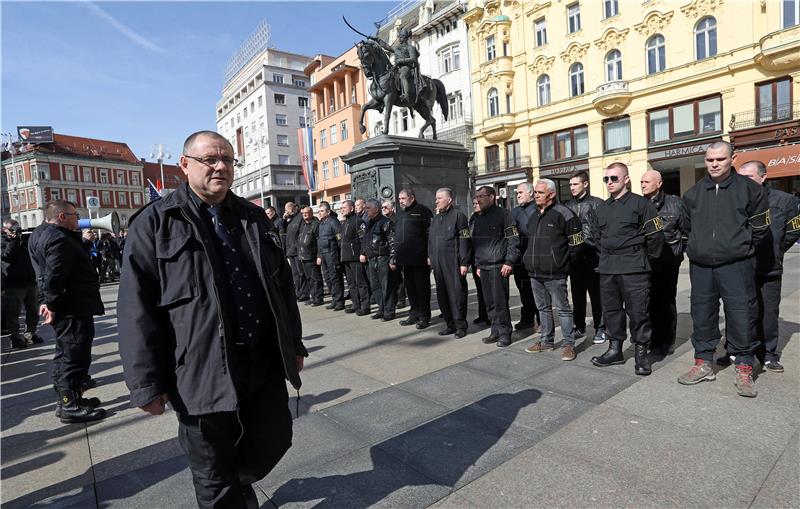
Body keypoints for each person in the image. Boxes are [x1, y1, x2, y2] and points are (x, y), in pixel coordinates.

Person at [118, 131, 308, 507]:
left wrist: (294, 344)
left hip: (260, 361)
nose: (221, 166)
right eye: (210, 160)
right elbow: (135, 308)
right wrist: (144, 383)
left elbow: (283, 291)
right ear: (185, 165)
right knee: (211, 472)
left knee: (274, 438)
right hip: (198, 369)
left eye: (227, 160)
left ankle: (238, 482)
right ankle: (229, 491)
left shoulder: (253, 218)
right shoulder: (154, 223)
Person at [677, 142, 770, 397]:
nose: (714, 164)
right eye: (709, 160)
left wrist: (741, 247)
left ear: (733, 159)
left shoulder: (751, 190)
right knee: (703, 313)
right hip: (702, 266)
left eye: (720, 159)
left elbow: (761, 229)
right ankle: (703, 363)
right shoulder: (693, 194)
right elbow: (686, 229)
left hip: (737, 265)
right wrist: (697, 248)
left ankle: (743, 367)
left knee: (741, 314)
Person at [28, 200, 106, 423]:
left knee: (66, 353)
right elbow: (54, 276)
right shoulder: (59, 238)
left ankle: (70, 398)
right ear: (62, 216)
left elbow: (42, 274)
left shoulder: (39, 234)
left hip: (69, 305)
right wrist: (50, 304)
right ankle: (69, 405)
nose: (77, 218)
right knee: (73, 354)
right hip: (73, 306)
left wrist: (46, 301)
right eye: (74, 214)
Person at [589, 162, 665, 376]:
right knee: (611, 311)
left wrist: (646, 261)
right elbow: (596, 237)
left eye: (614, 178)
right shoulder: (601, 208)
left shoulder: (642, 204)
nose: (610, 183)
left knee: (639, 312)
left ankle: (641, 354)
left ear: (626, 179)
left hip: (634, 267)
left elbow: (656, 237)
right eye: (606, 179)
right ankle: (615, 350)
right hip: (608, 268)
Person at [732, 160, 799, 373]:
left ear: (763, 177)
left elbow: (794, 229)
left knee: (768, 312)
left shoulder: (785, 200)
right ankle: (737, 349)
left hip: (769, 266)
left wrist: (777, 249)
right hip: (741, 266)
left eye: (749, 177)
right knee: (739, 312)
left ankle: (768, 354)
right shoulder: (734, 200)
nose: (745, 182)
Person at [523, 180, 583, 360]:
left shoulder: (565, 214)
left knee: (563, 309)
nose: (536, 195)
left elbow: (577, 245)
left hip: (555, 273)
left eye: (540, 192)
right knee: (543, 308)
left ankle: (568, 345)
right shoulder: (533, 214)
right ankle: (546, 342)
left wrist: (563, 265)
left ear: (551, 194)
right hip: (535, 272)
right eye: (534, 192)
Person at [640, 170, 685, 356]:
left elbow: (685, 232)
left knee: (666, 302)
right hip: (645, 262)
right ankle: (652, 338)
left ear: (659, 183)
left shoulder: (675, 204)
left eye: (647, 181)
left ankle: (666, 341)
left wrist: (677, 252)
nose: (643, 184)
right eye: (641, 181)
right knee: (648, 302)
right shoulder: (638, 204)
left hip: (668, 262)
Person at [472, 186, 519, 347]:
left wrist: (509, 262)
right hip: (483, 266)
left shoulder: (504, 215)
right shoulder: (477, 217)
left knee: (500, 302)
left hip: (499, 266)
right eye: (477, 196)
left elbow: (513, 240)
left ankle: (505, 333)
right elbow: (477, 243)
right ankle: (495, 330)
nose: (478, 199)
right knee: (489, 302)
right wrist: (477, 263)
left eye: (482, 196)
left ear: (492, 197)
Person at [565, 171, 606, 343]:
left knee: (597, 297)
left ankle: (601, 328)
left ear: (585, 184)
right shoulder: (566, 206)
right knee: (577, 296)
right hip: (575, 259)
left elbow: (604, 230)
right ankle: (579, 327)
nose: (572, 187)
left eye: (575, 184)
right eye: (570, 185)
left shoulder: (598, 204)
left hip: (594, 257)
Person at [429, 188, 471, 338]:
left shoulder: (458, 216)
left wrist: (464, 262)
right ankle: (449, 324)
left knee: (456, 294)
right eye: (436, 198)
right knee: (442, 295)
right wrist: (430, 257)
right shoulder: (436, 218)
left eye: (440, 198)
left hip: (453, 262)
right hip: (437, 263)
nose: (437, 201)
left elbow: (465, 240)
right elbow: (431, 239)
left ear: (449, 200)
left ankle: (460, 326)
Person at [394, 188, 434, 329]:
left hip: (420, 258)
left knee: (422, 288)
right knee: (410, 288)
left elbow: (430, 234)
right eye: (399, 199)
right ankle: (413, 314)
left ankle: (424, 316)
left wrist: (430, 255)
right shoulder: (399, 214)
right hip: (405, 259)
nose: (401, 201)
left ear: (412, 197)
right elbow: (396, 236)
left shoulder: (422, 211)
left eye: (403, 198)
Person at [2, 219, 42, 349]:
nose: (15, 231)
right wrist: (14, 241)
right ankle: (15, 337)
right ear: (4, 229)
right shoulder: (3, 241)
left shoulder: (23, 240)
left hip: (30, 281)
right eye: (12, 229)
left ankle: (30, 334)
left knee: (33, 311)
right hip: (14, 283)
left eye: (17, 228)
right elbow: (6, 256)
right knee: (13, 312)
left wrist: (24, 240)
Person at [361, 198, 397, 321]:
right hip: (372, 258)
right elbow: (365, 240)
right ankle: (381, 308)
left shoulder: (386, 222)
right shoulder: (369, 223)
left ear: (376, 209)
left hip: (383, 258)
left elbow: (392, 241)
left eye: (368, 208)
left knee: (386, 285)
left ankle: (389, 311)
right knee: (375, 285)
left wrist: (393, 259)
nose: (366, 210)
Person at [510, 183, 539, 331]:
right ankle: (527, 319)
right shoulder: (514, 212)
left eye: (521, 192)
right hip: (519, 259)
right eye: (517, 193)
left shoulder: (539, 209)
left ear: (531, 193)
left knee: (539, 291)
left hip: (535, 257)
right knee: (524, 291)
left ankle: (542, 321)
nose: (518, 195)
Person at [369, 27, 420, 104]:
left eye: (400, 37)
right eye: (399, 37)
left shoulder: (410, 48)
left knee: (402, 76)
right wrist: (376, 40)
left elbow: (413, 59)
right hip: (397, 68)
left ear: (404, 38)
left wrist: (401, 60)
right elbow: (386, 46)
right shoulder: (397, 48)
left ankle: (406, 95)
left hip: (406, 67)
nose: (399, 38)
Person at [340, 200, 370, 316]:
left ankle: (365, 306)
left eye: (344, 207)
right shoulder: (345, 222)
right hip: (346, 257)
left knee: (361, 283)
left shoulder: (358, 221)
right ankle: (356, 304)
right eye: (341, 208)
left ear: (352, 208)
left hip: (356, 257)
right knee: (351, 283)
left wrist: (362, 253)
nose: (342, 210)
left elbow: (363, 238)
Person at [317, 202, 345, 311]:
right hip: (323, 254)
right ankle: (334, 299)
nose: (320, 213)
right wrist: (319, 255)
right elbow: (319, 240)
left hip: (332, 254)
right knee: (328, 278)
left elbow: (340, 239)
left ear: (328, 212)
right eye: (319, 211)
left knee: (335, 278)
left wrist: (338, 254)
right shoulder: (321, 224)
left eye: (322, 211)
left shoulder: (333, 222)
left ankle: (339, 301)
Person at [383, 200, 407, 309]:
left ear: (392, 208)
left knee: (399, 279)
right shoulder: (383, 221)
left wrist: (393, 258)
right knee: (392, 279)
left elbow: (396, 239)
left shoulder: (396, 220)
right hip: (386, 253)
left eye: (386, 207)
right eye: (382, 207)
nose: (383, 209)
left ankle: (401, 299)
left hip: (397, 253)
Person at [298, 206, 324, 306]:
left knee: (315, 278)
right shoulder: (304, 225)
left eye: (307, 212)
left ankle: (318, 298)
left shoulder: (315, 224)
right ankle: (313, 296)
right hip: (303, 256)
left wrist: (319, 256)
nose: (304, 214)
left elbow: (319, 240)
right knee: (309, 278)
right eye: (303, 213)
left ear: (311, 213)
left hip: (312, 256)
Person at [468, 198, 488, 325]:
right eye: (474, 204)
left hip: (486, 258)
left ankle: (489, 316)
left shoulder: (488, 216)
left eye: (477, 203)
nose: (475, 205)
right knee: (479, 289)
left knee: (487, 290)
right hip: (475, 258)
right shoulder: (473, 217)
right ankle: (482, 314)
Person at [283, 202, 308, 300]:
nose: (286, 212)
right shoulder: (290, 220)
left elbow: (301, 234)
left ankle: (304, 293)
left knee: (301, 273)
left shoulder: (300, 217)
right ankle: (298, 292)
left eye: (287, 210)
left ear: (293, 208)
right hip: (290, 251)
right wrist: (284, 219)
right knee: (295, 274)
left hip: (297, 250)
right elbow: (282, 230)